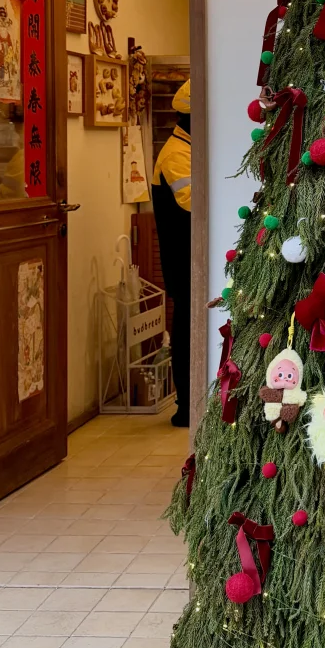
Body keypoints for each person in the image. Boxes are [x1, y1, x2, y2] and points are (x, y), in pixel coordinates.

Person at [152, 79, 192, 427]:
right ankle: (185, 403)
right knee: (186, 323)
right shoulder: (176, 155)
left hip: (189, 255)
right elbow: (195, 203)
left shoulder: (187, 146)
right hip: (182, 257)